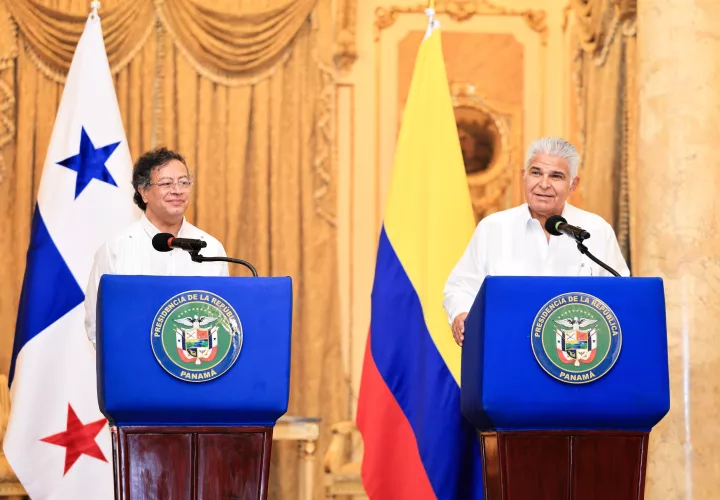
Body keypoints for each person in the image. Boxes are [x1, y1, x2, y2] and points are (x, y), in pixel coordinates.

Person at [443, 136, 630, 346]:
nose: (544, 184)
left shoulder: (595, 230)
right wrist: (461, 313)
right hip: (506, 346)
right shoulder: (493, 228)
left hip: (576, 351)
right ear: (524, 176)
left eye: (556, 176)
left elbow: (621, 293)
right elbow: (460, 286)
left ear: (573, 184)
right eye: (536, 173)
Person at [84, 147, 229, 346]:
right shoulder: (117, 248)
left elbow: (220, 317)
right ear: (143, 192)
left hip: (194, 359)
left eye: (184, 182)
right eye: (166, 183)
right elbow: (95, 322)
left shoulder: (210, 248)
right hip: (133, 359)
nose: (177, 190)